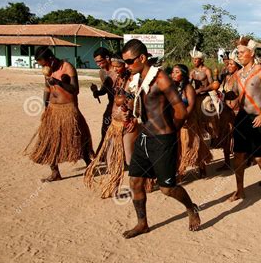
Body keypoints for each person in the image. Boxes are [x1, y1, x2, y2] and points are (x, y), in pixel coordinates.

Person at [121, 39, 200, 239]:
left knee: (167, 188)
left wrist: (170, 134)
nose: (127, 66)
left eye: (129, 61)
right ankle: (142, 223)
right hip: (144, 137)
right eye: (125, 62)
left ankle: (191, 208)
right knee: (135, 182)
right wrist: (129, 113)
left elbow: (181, 111)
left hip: (163, 140)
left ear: (141, 58)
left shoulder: (161, 79)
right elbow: (144, 106)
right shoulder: (138, 78)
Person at [25, 47, 93, 182]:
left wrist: (57, 82)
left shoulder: (67, 67)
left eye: (44, 63)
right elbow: (47, 88)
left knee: (78, 139)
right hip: (53, 110)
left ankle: (90, 166)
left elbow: (75, 90)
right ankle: (55, 172)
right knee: (49, 141)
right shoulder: (47, 70)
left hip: (68, 109)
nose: (43, 66)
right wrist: (45, 106)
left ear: (50, 59)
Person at [229, 37, 261, 201]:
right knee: (238, 155)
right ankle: (240, 190)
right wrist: (228, 96)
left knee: (257, 156)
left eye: (242, 52)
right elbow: (235, 94)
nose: (239, 55)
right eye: (238, 52)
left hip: (257, 116)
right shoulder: (237, 74)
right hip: (242, 117)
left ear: (252, 53)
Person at [84, 54, 139, 198]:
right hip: (115, 122)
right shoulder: (118, 79)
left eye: (118, 66)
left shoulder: (133, 79)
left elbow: (137, 97)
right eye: (114, 66)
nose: (115, 69)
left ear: (125, 65)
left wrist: (129, 105)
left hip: (127, 123)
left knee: (129, 158)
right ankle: (113, 187)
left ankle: (144, 182)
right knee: (111, 157)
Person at [172, 64, 213, 179]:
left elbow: (191, 105)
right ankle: (179, 171)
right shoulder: (172, 87)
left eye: (177, 72)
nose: (173, 74)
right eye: (173, 72)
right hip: (176, 121)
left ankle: (201, 166)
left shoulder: (188, 88)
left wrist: (184, 117)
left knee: (193, 144)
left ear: (183, 75)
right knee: (178, 146)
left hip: (188, 121)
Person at [91, 47, 117, 155]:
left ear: (107, 58)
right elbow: (104, 90)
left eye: (100, 61)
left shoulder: (118, 69)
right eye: (96, 62)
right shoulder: (102, 72)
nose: (98, 64)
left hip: (122, 107)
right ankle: (102, 153)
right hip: (111, 106)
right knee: (105, 130)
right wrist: (96, 92)